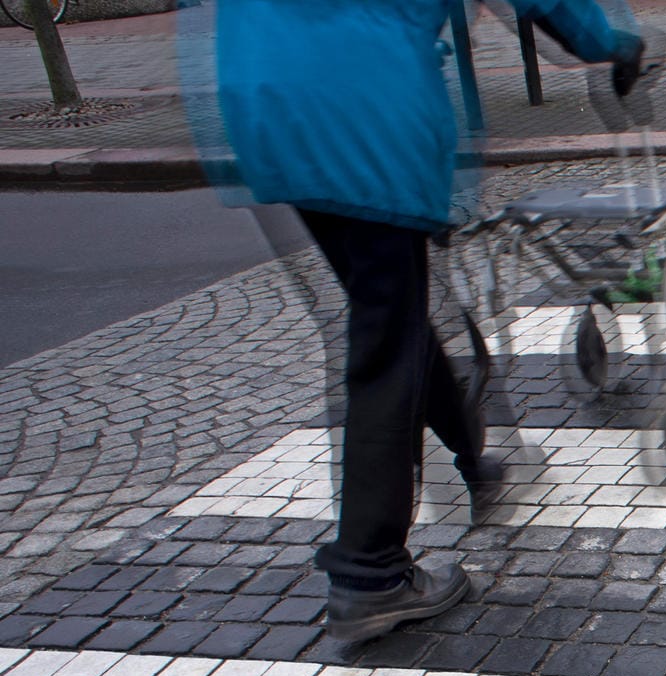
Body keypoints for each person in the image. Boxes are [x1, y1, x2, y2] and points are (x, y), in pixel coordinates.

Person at [204, 0, 643, 642]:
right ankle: (369, 574)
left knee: (392, 310)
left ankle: (473, 453)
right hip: (365, 106)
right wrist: (610, 42)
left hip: (264, 103)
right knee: (387, 338)